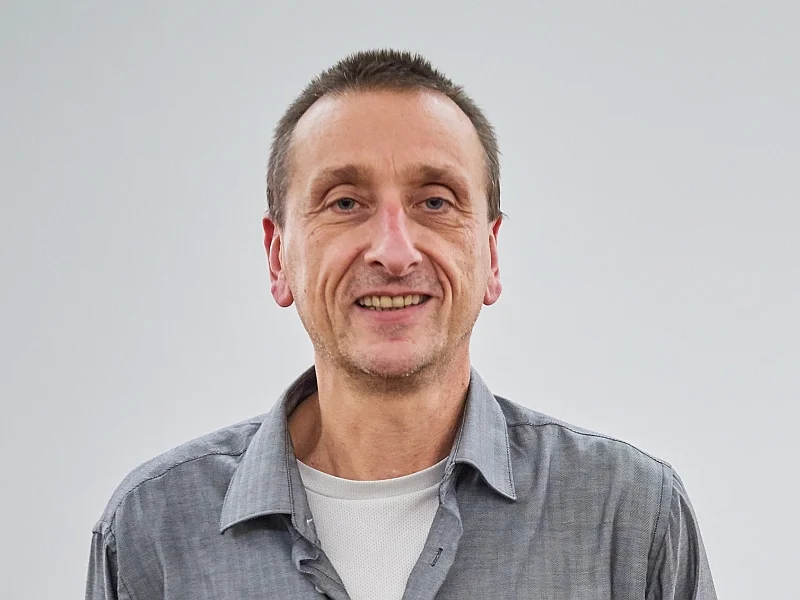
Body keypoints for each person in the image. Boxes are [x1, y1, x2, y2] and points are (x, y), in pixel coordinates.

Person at [85, 49, 717, 600]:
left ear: (491, 254)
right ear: (278, 258)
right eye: (345, 202)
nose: (394, 251)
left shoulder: (630, 515)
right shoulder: (153, 531)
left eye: (435, 201)